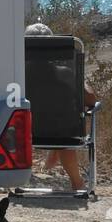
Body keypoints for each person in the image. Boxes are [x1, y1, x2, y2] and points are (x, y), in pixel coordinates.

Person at [25, 22, 97, 192]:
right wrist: (79, 79)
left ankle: (53, 154)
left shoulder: (17, 75)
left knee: (51, 120)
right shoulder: (65, 73)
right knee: (63, 127)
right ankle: (77, 183)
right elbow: (92, 101)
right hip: (63, 133)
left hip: (26, 133)